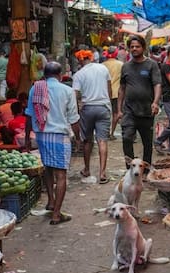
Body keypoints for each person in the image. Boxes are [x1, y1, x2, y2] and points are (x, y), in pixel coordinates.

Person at [25, 62, 80, 225]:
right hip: (59, 136)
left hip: (41, 135)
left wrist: (28, 137)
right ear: (60, 75)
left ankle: (50, 200)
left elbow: (29, 115)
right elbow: (73, 118)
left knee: (48, 168)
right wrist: (79, 138)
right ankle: (56, 214)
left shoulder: (35, 88)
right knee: (61, 174)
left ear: (44, 74)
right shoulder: (67, 91)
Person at [117, 35, 161, 175]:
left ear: (143, 47)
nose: (134, 49)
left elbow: (157, 84)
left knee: (147, 143)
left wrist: (155, 102)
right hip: (129, 111)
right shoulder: (126, 67)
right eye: (132, 47)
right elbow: (122, 88)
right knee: (126, 138)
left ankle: (146, 170)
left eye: (137, 46)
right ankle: (130, 168)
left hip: (146, 111)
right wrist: (119, 109)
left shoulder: (151, 65)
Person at [72, 48, 112, 184]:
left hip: (87, 108)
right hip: (103, 108)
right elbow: (109, 89)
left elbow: (75, 95)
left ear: (81, 59)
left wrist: (77, 110)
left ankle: (87, 169)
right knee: (102, 141)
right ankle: (102, 173)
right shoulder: (103, 69)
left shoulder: (78, 74)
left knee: (87, 140)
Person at [102, 46, 123, 140]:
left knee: (105, 114)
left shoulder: (102, 65)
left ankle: (105, 132)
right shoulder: (121, 64)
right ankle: (111, 133)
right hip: (116, 92)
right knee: (116, 113)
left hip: (104, 93)